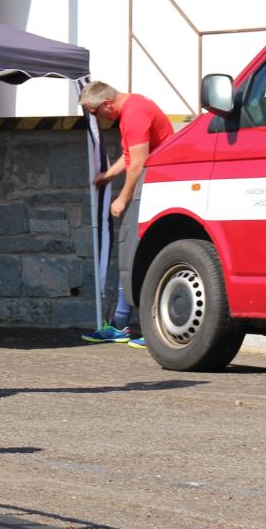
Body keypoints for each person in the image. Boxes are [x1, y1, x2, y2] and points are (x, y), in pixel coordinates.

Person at [79, 81, 174, 348]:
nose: (98, 119)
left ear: (107, 104)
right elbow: (130, 155)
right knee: (131, 253)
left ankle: (150, 329)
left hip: (156, 185)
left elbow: (140, 162)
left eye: (95, 113)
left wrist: (122, 198)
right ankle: (121, 324)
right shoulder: (132, 108)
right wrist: (107, 176)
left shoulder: (133, 113)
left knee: (143, 254)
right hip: (153, 184)